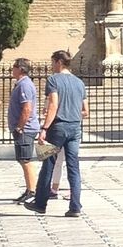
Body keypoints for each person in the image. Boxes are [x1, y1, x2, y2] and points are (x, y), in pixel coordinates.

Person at [32, 50, 87, 216]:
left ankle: (40, 203)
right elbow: (86, 110)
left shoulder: (53, 80)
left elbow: (53, 105)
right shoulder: (79, 83)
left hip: (57, 127)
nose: (52, 66)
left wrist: (44, 128)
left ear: (59, 62)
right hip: (75, 128)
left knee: (48, 164)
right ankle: (75, 206)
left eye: (53, 62)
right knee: (73, 167)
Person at [7, 58, 40, 205]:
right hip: (23, 128)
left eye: (14, 67)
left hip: (25, 129)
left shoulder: (25, 85)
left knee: (25, 160)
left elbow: (27, 108)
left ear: (20, 69)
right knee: (22, 159)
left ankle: (33, 191)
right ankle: (29, 190)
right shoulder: (21, 84)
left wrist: (19, 127)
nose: (12, 69)